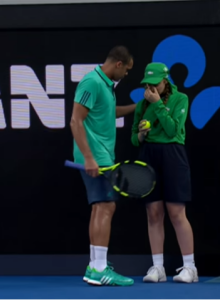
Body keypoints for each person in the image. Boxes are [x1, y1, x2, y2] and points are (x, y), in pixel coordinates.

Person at [70, 46, 136, 286]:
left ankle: (94, 266)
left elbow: (109, 113)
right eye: (127, 70)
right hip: (96, 157)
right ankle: (98, 268)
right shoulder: (92, 82)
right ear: (118, 64)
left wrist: (136, 108)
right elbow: (76, 120)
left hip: (103, 156)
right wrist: (88, 157)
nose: (127, 74)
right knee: (106, 206)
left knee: (101, 207)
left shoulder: (106, 85)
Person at [131, 62, 198, 283]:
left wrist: (158, 104)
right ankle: (158, 268)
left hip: (173, 155)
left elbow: (172, 131)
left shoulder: (181, 99)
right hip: (149, 156)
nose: (150, 88)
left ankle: (190, 268)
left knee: (176, 213)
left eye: (155, 84)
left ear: (165, 81)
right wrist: (141, 135)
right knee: (153, 213)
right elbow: (134, 138)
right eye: (147, 84)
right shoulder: (142, 104)